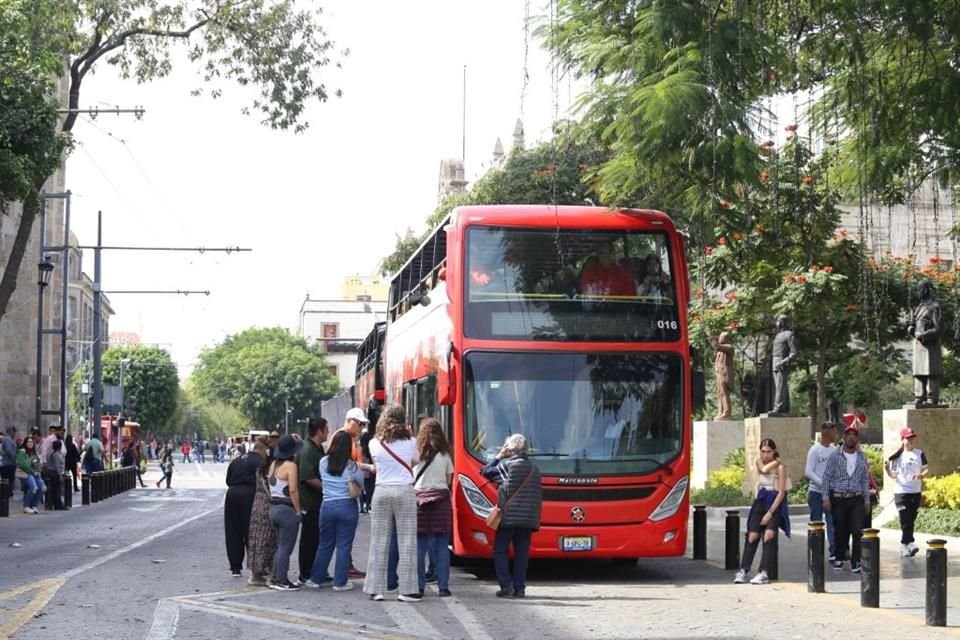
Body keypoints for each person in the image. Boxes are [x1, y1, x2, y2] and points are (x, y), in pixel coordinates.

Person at [363, 405, 421, 602]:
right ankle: (407, 590)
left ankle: (374, 589)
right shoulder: (412, 441)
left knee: (378, 540)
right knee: (406, 540)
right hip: (404, 490)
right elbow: (415, 461)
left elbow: (377, 465)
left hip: (381, 491)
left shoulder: (373, 443)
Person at [481, 434, 543, 598]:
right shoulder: (534, 468)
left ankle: (506, 586)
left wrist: (499, 456)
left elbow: (485, 472)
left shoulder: (508, 466)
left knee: (500, 550)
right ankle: (520, 588)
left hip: (508, 518)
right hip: (528, 519)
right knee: (522, 553)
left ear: (511, 449)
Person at [306, 430, 365, 591]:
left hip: (327, 507)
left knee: (325, 544)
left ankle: (315, 579)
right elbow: (361, 483)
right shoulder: (352, 466)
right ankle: (340, 582)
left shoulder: (323, 462)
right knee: (344, 546)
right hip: (347, 506)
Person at [734, 438, 791, 584]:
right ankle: (743, 570)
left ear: (774, 451)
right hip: (761, 500)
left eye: (769, 452)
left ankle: (764, 572)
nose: (766, 455)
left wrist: (770, 513)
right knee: (752, 535)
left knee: (768, 535)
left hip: (775, 501)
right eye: (763, 451)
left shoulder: (781, 468)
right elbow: (763, 470)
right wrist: (775, 462)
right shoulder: (761, 462)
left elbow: (781, 493)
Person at [821, 422, 871, 572]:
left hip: (856, 498)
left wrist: (867, 500)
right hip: (839, 497)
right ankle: (839, 557)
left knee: (857, 530)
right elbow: (826, 478)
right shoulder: (835, 456)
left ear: (857, 439)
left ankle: (856, 560)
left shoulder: (862, 457)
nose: (850, 438)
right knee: (840, 529)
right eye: (848, 435)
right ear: (844, 437)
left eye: (853, 435)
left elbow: (864, 480)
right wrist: (826, 498)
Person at [414, 418, 454, 597]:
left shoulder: (417, 453)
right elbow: (449, 480)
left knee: (420, 547)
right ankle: (443, 587)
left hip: (419, 502)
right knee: (441, 546)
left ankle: (419, 586)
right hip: (441, 503)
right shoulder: (445, 454)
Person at [884, 427, 928, 558]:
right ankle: (908, 543)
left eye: (912, 438)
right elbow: (893, 475)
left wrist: (920, 475)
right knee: (905, 518)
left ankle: (906, 545)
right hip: (901, 492)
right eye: (907, 438)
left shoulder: (920, 454)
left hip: (915, 492)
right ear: (902, 439)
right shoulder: (897, 457)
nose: (910, 440)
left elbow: (926, 469)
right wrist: (887, 470)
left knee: (911, 518)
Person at [267, 434, 303, 591]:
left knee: (280, 546)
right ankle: (282, 579)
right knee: (285, 547)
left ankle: (275, 577)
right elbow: (293, 490)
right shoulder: (291, 466)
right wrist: (298, 510)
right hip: (286, 509)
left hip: (273, 508)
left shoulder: (273, 464)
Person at [296, 417, 329, 586]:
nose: (328, 432)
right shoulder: (308, 449)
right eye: (326, 429)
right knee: (309, 539)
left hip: (318, 501)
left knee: (318, 538)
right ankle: (306, 572)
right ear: (319, 431)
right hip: (310, 502)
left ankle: (318, 570)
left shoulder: (317, 449)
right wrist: (328, 488)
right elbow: (307, 477)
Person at [224, 441, 263, 577]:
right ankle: (255, 567)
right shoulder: (260, 461)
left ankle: (235, 567)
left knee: (233, 530)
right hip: (249, 494)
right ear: (261, 450)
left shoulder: (236, 461)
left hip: (232, 493)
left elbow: (228, 481)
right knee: (250, 530)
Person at [246, 438, 277, 586]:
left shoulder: (260, 468)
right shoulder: (272, 469)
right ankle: (271, 574)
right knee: (270, 540)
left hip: (256, 504)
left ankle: (255, 574)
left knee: (257, 540)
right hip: (267, 504)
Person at [804, 423, 837, 560]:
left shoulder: (835, 450)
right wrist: (823, 484)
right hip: (816, 493)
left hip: (831, 493)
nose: (836, 435)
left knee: (832, 522)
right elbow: (808, 471)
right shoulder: (815, 450)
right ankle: (815, 551)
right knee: (816, 522)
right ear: (826, 433)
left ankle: (834, 551)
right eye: (834, 432)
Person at [910, 279, 944, 406]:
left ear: (927, 290)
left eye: (920, 289)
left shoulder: (934, 306)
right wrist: (911, 329)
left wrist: (924, 335)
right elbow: (915, 325)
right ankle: (919, 396)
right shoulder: (918, 307)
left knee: (931, 371)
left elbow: (938, 328)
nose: (919, 292)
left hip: (930, 346)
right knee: (919, 371)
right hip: (918, 345)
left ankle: (932, 397)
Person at [770, 315, 798, 416]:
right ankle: (784, 407)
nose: (777, 323)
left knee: (780, 387)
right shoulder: (778, 335)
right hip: (775, 361)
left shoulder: (789, 334)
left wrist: (782, 362)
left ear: (782, 322)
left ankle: (777, 408)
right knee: (779, 386)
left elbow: (794, 353)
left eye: (778, 321)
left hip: (781, 362)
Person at [15, 437, 45, 514]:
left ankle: (33, 505)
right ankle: (26, 506)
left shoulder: (33, 453)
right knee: (34, 487)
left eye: (32, 442)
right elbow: (23, 464)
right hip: (25, 473)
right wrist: (33, 471)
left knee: (43, 488)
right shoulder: (22, 452)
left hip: (34, 473)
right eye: (28, 442)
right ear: (25, 443)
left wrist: (38, 471)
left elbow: (38, 463)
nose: (30, 443)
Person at [710, 332, 735, 420]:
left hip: (725, 374)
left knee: (725, 393)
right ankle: (720, 411)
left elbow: (717, 346)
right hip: (719, 373)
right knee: (719, 394)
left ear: (726, 338)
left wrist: (710, 336)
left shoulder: (729, 347)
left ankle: (727, 412)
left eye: (721, 337)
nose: (719, 338)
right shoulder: (721, 350)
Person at [0, 427, 17, 499]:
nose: (15, 434)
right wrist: (14, 459)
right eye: (14, 432)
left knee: (10, 480)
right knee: (7, 480)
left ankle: (8, 494)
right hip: (8, 464)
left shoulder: (9, 440)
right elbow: (8, 451)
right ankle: (6, 495)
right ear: (11, 431)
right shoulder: (7, 439)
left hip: (10, 464)